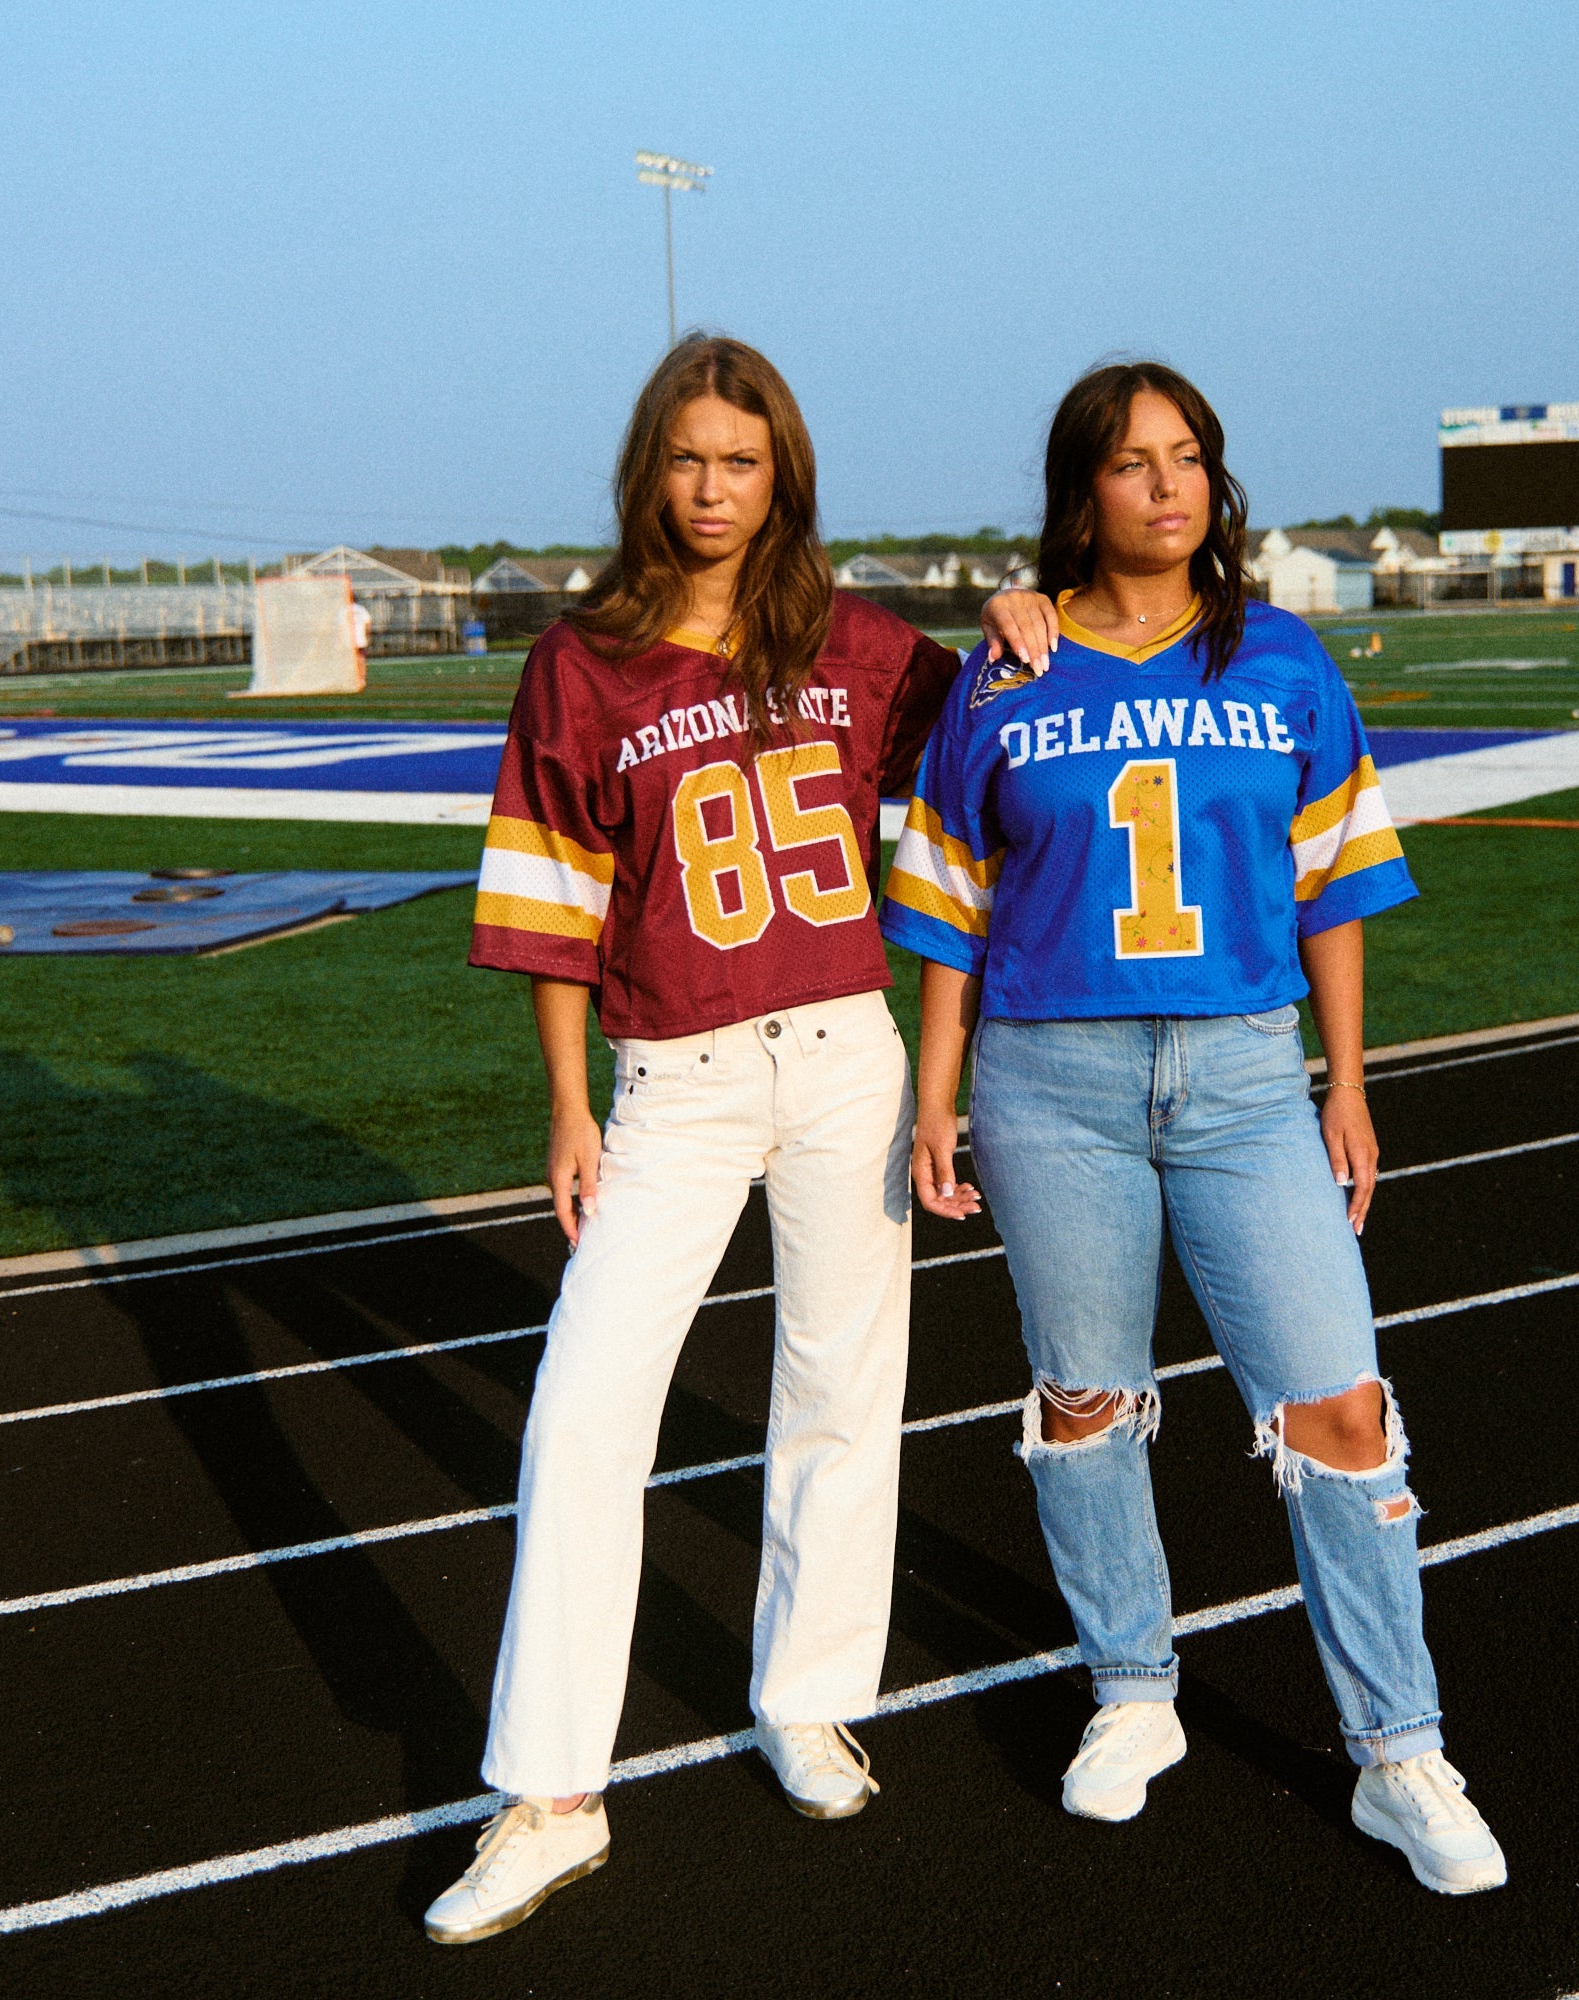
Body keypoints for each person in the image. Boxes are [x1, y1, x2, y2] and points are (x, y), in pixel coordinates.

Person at [427, 334, 1042, 1943]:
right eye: (689, 459)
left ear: (787, 478)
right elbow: (552, 903)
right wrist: (564, 1100)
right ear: (651, 470)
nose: (714, 489)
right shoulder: (583, 662)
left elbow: (988, 742)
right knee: (582, 1412)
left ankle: (808, 1697)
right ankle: (552, 1791)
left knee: (844, 1390)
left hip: (845, 1051)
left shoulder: (854, 644)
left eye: (743, 462)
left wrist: (1012, 623)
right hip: (674, 1081)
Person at [880, 361, 1508, 1895]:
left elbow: (1336, 889)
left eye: (1187, 459)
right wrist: (934, 1092)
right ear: (1079, 491)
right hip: (1050, 1081)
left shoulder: (1283, 658)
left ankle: (1397, 1751)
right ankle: (1133, 1690)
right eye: (1129, 462)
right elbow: (953, 908)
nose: (1164, 486)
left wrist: (1347, 1082)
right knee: (1086, 1400)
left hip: (1242, 1076)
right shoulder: (1006, 675)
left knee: (1340, 1410)